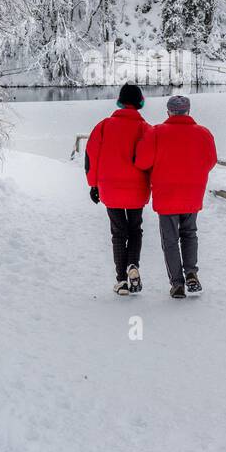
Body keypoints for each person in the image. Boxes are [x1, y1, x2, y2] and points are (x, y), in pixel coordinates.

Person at [135, 94, 217, 298]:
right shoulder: (204, 133)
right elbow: (211, 161)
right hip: (192, 193)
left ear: (168, 112)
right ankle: (191, 273)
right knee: (189, 233)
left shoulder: (156, 132)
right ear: (189, 111)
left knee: (170, 239)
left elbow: (142, 162)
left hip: (167, 195)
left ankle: (177, 283)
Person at [84, 83, 150, 295]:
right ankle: (133, 265)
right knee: (135, 229)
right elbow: (150, 160)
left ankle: (121, 280)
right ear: (140, 102)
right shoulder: (145, 128)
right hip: (136, 188)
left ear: (120, 101)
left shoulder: (103, 126)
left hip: (110, 188)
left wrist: (93, 185)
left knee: (118, 233)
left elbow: (91, 157)